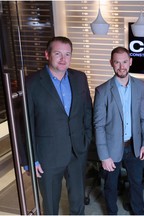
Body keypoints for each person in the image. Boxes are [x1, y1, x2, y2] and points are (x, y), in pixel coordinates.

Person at [25, 36, 92, 214]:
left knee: (78, 202)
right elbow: (25, 123)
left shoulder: (80, 78)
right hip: (48, 155)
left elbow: (87, 111)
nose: (63, 59)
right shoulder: (31, 83)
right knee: (50, 204)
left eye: (67, 54)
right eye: (58, 53)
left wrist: (87, 139)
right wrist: (30, 159)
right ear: (47, 54)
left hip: (77, 151)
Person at [93, 46, 144, 215]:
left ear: (130, 62)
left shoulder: (140, 86)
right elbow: (99, 125)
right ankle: (111, 212)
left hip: (134, 145)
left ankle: (138, 211)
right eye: (117, 62)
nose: (121, 66)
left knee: (137, 182)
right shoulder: (102, 90)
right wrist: (104, 155)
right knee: (111, 185)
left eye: (124, 62)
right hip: (111, 149)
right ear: (111, 63)